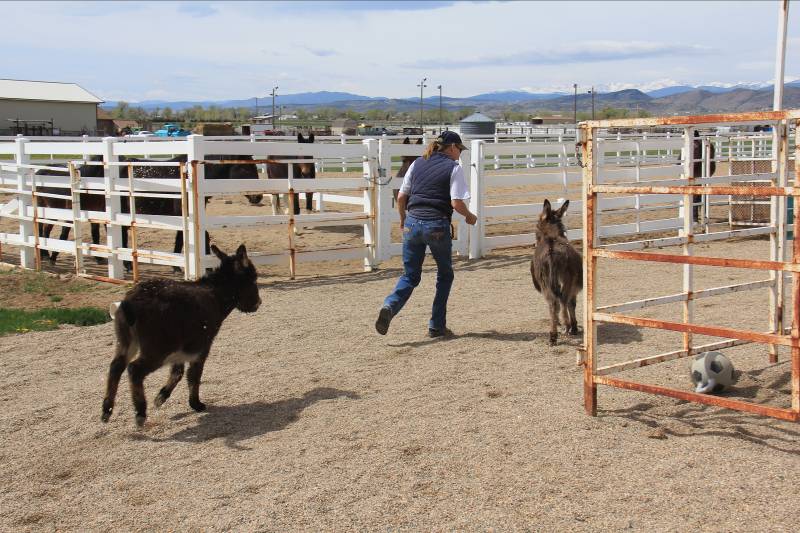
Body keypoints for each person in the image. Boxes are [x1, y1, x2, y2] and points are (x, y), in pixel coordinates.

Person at [375, 131, 478, 338]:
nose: (460, 154)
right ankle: (436, 325)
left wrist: (404, 219)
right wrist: (470, 216)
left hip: (413, 223)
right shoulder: (454, 168)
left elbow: (402, 197)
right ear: (451, 147)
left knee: (410, 275)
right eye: (459, 149)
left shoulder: (417, 164)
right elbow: (456, 203)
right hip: (436, 225)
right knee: (445, 274)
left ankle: (390, 305)